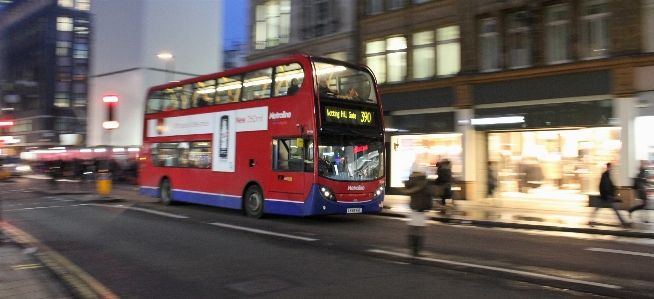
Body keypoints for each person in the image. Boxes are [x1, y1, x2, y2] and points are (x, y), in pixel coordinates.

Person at [401, 171, 433, 257]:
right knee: (419, 230)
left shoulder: (412, 184)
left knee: (413, 228)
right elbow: (429, 194)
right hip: (421, 209)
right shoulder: (423, 184)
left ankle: (413, 248)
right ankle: (416, 250)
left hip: (414, 208)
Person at [591, 162, 631, 228]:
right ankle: (623, 223)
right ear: (608, 167)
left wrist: (613, 192)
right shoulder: (605, 175)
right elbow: (605, 186)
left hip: (606, 196)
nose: (612, 168)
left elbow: (608, 186)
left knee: (598, 208)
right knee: (615, 209)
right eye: (611, 167)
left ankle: (591, 220)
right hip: (607, 196)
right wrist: (611, 195)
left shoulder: (607, 175)